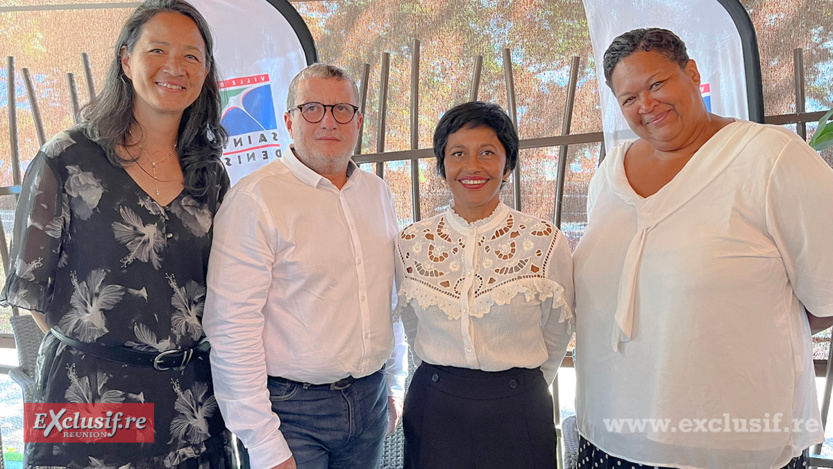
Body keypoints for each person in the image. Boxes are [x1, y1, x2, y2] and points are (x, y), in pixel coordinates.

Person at [572, 28, 833, 469]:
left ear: (691, 73)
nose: (646, 105)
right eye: (628, 98)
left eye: (656, 84)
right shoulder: (609, 173)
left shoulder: (769, 158)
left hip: (730, 444)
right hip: (609, 432)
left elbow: (826, 294)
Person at [0, 0, 231, 467]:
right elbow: (32, 291)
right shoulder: (66, 157)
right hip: (86, 392)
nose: (174, 67)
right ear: (126, 60)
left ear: (206, 72)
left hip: (191, 399)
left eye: (192, 56)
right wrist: (100, 354)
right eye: (157, 50)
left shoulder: (210, 175)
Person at [203, 63, 408, 469]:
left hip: (370, 402)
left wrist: (394, 385)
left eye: (342, 109)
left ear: (358, 121)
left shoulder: (376, 192)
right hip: (290, 413)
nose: (328, 121)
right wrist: (261, 441)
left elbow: (389, 298)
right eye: (312, 108)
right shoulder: (256, 199)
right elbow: (231, 326)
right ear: (289, 121)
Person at [394, 101, 574, 468]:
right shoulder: (410, 243)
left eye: (487, 153)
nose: (472, 166)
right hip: (434, 406)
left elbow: (558, 329)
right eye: (458, 153)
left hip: (518, 407)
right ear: (443, 166)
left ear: (508, 165)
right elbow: (412, 326)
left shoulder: (544, 240)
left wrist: (517, 383)